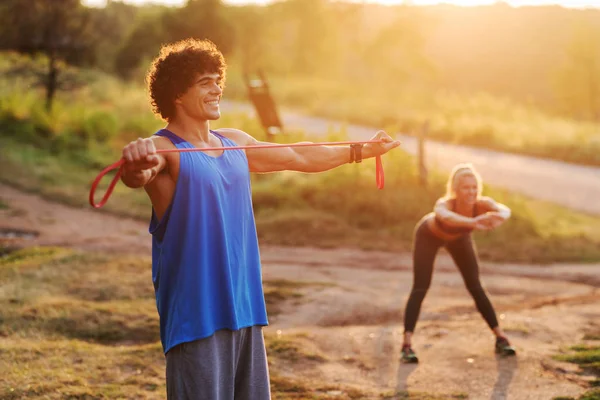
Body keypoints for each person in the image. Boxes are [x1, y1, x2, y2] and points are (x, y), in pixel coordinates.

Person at [119, 38, 400, 399]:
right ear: (177, 93)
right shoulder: (164, 149)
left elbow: (298, 156)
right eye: (205, 82)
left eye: (218, 79)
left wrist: (361, 150)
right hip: (196, 317)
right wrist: (135, 164)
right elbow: (139, 174)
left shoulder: (234, 141)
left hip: (245, 307)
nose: (217, 88)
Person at [400, 163, 516, 364]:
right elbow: (446, 216)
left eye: (474, 187)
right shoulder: (445, 204)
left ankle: (500, 338)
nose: (471, 192)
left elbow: (505, 211)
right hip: (428, 236)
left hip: (459, 240)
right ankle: (406, 345)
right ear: (455, 189)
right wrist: (473, 223)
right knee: (421, 286)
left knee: (476, 286)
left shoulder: (482, 204)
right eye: (465, 187)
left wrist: (497, 218)